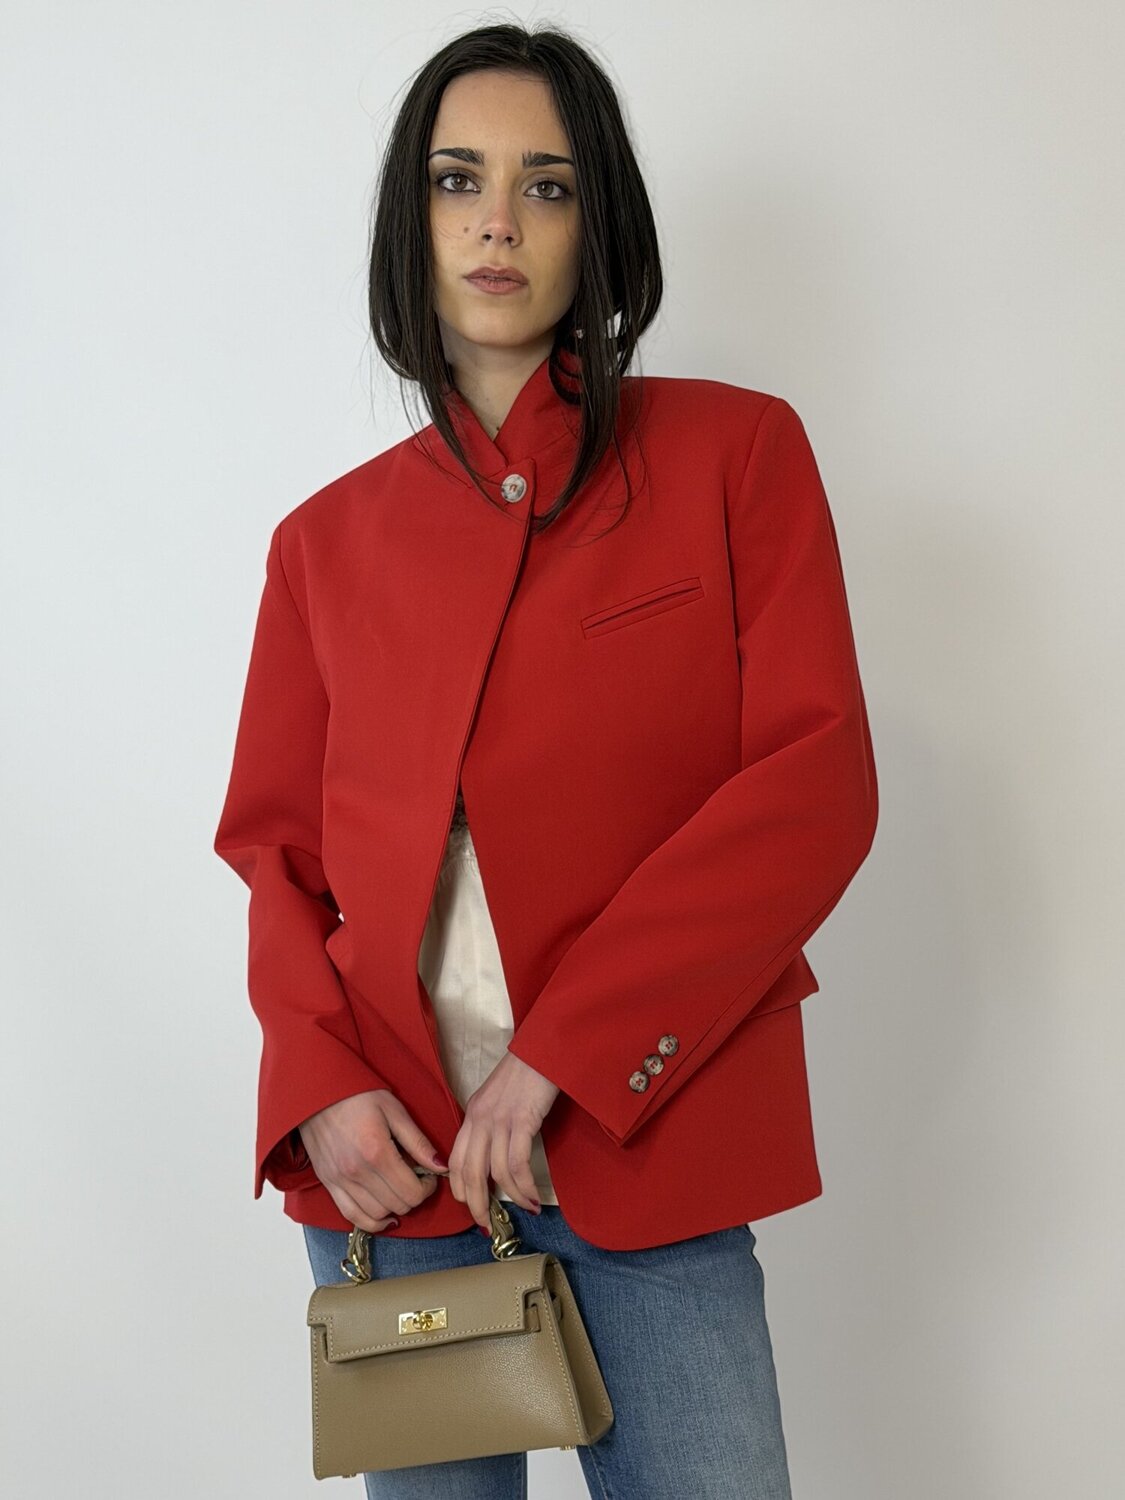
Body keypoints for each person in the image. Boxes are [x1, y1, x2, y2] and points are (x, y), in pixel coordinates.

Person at [213, 20, 878, 1500]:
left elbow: (813, 783)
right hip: (396, 1176)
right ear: (413, 221)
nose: (497, 222)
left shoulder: (734, 458)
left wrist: (566, 1056)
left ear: (600, 223)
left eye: (547, 185)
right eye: (458, 181)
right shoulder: (322, 546)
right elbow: (274, 856)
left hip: (651, 1144)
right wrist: (317, 1084)